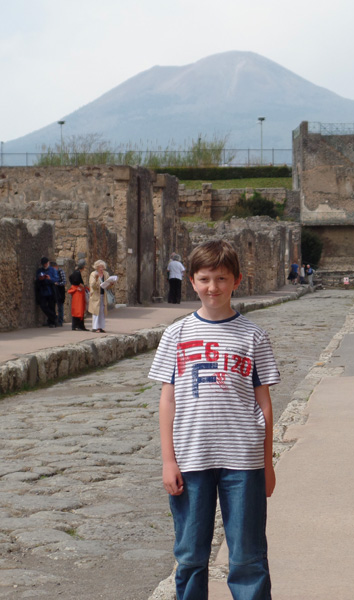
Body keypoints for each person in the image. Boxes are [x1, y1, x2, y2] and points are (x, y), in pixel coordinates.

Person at [148, 239, 280, 599]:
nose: (213, 288)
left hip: (244, 460)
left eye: (221, 279)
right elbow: (167, 400)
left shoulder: (253, 335)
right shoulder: (176, 334)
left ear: (236, 281)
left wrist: (267, 464)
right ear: (192, 280)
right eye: (205, 279)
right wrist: (168, 460)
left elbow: (264, 403)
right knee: (190, 555)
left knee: (248, 556)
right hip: (191, 458)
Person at [88, 260, 116, 333]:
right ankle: (95, 327)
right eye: (100, 267)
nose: (101, 268)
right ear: (97, 267)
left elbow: (107, 286)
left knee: (102, 311)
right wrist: (97, 279)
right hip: (96, 295)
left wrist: (111, 284)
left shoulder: (106, 274)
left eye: (103, 267)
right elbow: (92, 286)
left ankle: (100, 327)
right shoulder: (93, 274)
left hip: (103, 295)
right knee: (96, 311)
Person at [35, 257, 58, 327]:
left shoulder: (53, 270)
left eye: (46, 263)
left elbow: (56, 279)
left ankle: (52, 322)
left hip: (51, 290)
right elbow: (37, 279)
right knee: (43, 306)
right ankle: (54, 317)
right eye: (43, 264)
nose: (45, 265)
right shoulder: (40, 270)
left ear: (48, 263)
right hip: (43, 290)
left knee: (51, 306)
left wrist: (50, 278)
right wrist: (40, 279)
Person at [67, 259, 88, 331]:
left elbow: (70, 278)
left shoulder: (76, 272)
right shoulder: (77, 273)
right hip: (78, 293)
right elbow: (74, 280)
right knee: (78, 309)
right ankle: (78, 325)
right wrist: (79, 285)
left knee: (78, 309)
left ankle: (77, 325)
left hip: (78, 292)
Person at [50, 261, 67, 326]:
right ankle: (53, 320)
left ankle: (60, 321)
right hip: (54, 291)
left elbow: (64, 282)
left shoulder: (60, 272)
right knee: (52, 306)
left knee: (60, 307)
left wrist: (57, 283)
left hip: (60, 291)